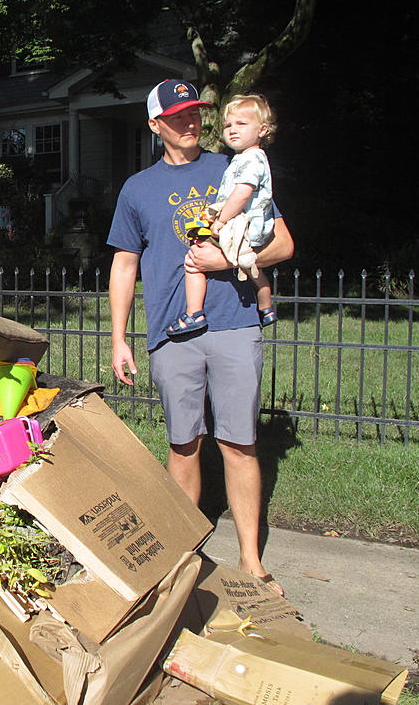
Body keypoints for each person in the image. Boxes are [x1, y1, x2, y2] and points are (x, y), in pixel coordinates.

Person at [106, 79, 294, 595]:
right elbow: (125, 266)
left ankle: (251, 562)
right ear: (155, 124)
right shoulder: (136, 189)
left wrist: (227, 257)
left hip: (234, 325)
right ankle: (181, 559)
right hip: (172, 333)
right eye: (179, 115)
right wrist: (119, 338)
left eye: (196, 113)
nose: (191, 122)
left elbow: (282, 243)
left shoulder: (235, 166)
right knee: (184, 445)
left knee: (240, 444)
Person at [167, 94, 278, 337]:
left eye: (241, 124)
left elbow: (241, 194)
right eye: (228, 125)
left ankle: (194, 313)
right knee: (249, 263)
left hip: (240, 221)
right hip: (245, 220)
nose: (232, 130)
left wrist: (221, 221)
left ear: (262, 130)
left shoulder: (251, 159)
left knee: (193, 261)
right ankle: (267, 307)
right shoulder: (244, 158)